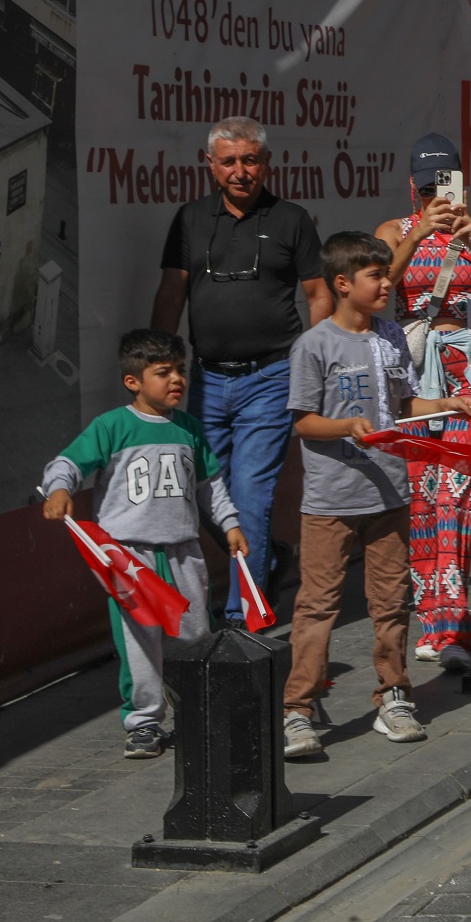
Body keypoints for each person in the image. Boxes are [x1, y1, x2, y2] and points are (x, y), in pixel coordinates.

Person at [281, 232, 471, 760]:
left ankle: (393, 696)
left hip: (390, 493)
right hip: (330, 502)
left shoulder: (391, 336)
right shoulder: (314, 345)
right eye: (377, 276)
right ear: (343, 284)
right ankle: (298, 710)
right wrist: (345, 427)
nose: (388, 283)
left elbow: (406, 404)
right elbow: (303, 423)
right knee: (317, 606)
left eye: (388, 275)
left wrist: (447, 402)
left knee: (390, 604)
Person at [152, 116, 331, 623]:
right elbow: (171, 294)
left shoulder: (292, 219)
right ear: (210, 164)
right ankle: (268, 558)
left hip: (271, 378)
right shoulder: (190, 219)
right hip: (206, 380)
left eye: (249, 159)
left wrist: (312, 369)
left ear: (266, 162)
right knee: (201, 495)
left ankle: (241, 612)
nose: (240, 171)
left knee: (250, 494)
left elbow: (318, 297)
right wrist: (159, 370)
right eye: (228, 160)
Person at [40, 329, 247, 759]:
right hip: (128, 557)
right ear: (133, 381)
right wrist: (60, 489)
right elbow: (67, 463)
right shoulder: (111, 427)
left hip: (183, 553)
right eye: (163, 372)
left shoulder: (189, 429)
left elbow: (211, 487)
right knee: (139, 641)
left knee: (194, 634)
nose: (176, 379)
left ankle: (197, 707)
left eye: (181, 370)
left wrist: (229, 524)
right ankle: (144, 722)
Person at [377, 134, 471, 672]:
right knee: (421, 497)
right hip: (414, 369)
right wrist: (415, 238)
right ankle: (430, 621)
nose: (438, 192)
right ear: (413, 185)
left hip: (467, 368)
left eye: (447, 182)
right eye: (428, 184)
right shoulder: (392, 231)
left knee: (460, 493)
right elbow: (379, 286)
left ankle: (453, 625)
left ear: (462, 181)